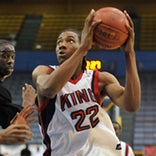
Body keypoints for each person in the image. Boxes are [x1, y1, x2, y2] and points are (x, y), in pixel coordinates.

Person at [32, 9, 141, 156]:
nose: (61, 46)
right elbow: (49, 89)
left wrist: (130, 54)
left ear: (83, 42)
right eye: (58, 42)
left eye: (70, 41)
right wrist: (83, 48)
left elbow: (132, 105)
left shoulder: (101, 79)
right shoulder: (44, 72)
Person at [0, 39, 37, 144]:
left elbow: (17, 133)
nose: (10, 61)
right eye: (5, 56)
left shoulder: (4, 94)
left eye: (12, 57)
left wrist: (27, 105)